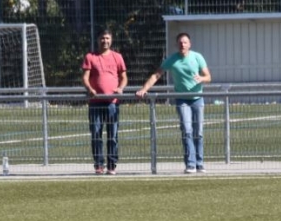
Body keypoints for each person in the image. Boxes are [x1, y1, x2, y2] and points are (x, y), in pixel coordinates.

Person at [135, 32, 212, 174]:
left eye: (185, 42)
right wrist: (144, 89)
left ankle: (200, 163)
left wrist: (201, 78)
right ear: (177, 44)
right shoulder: (172, 59)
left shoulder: (197, 57)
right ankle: (190, 164)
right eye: (180, 42)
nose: (183, 45)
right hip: (182, 100)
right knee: (187, 130)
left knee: (198, 132)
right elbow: (156, 75)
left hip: (197, 99)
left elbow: (208, 77)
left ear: (189, 44)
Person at [82, 29, 128, 175]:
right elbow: (85, 77)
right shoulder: (90, 57)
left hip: (112, 103)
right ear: (98, 40)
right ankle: (98, 165)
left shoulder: (117, 57)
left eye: (107, 38)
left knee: (112, 135)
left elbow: (124, 77)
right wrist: (90, 89)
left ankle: (112, 165)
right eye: (102, 38)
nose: (105, 41)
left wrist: (120, 88)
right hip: (95, 102)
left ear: (111, 40)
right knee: (96, 134)